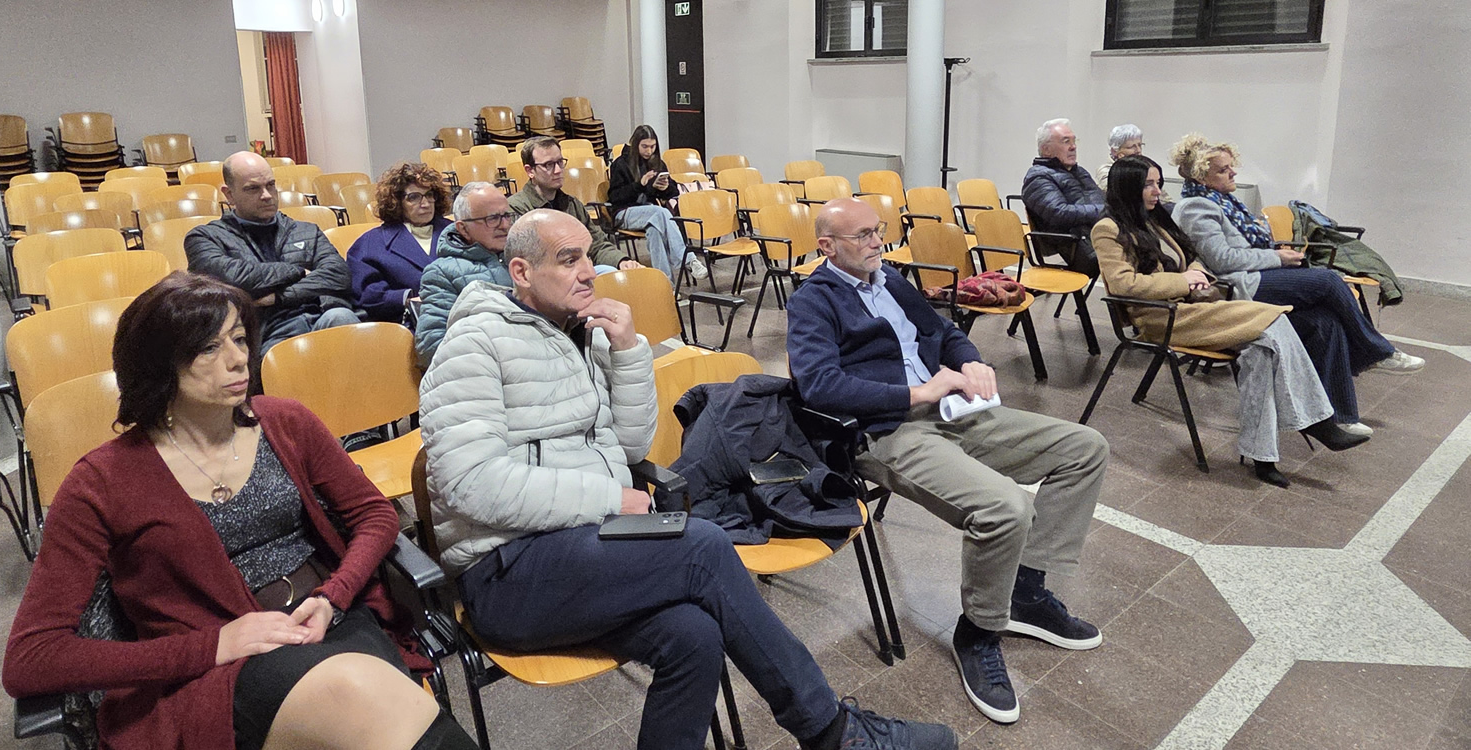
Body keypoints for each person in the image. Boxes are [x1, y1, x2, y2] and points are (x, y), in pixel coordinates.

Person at [418, 209, 956, 750]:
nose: (588, 271)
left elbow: (630, 448)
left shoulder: (582, 333)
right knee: (702, 546)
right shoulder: (473, 344)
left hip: (586, 548)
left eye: (587, 256)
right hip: (507, 571)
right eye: (568, 259)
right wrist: (608, 497)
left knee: (694, 636)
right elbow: (471, 484)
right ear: (521, 272)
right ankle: (832, 732)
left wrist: (628, 352)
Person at [2, 272, 477, 750]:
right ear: (158, 364)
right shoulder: (100, 482)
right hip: (220, 666)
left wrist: (333, 596)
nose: (237, 359)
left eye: (239, 339)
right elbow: (31, 657)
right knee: (359, 695)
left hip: (327, 617)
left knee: (370, 703)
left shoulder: (285, 421)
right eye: (209, 348)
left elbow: (375, 515)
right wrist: (212, 646)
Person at [786, 197, 1109, 725]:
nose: (878, 242)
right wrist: (915, 393)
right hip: (887, 430)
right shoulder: (813, 301)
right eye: (862, 235)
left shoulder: (889, 280)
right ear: (827, 246)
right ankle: (978, 631)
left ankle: (1025, 594)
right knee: (1005, 507)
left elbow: (943, 333)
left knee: (1085, 448)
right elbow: (819, 386)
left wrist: (971, 361)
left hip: (950, 409)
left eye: (878, 230)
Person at [1096, 156, 1371, 487]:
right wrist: (1183, 281)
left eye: (1158, 183)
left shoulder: (1155, 219)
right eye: (1149, 185)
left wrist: (1196, 274)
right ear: (1128, 187)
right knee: (1273, 318)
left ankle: (1263, 456)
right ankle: (1317, 421)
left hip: (1190, 308)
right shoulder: (1108, 229)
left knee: (1261, 351)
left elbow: (1191, 256)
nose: (1157, 190)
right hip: (1160, 318)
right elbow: (1123, 285)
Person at [1169, 134, 1421, 435]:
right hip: (1237, 286)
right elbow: (1223, 260)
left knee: (1325, 321)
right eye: (1223, 170)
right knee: (1328, 280)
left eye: (1231, 166)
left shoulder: (1222, 200)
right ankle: (1376, 352)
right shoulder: (1196, 208)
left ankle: (1340, 416)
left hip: (1254, 275)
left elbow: (1244, 248)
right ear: (1202, 176)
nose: (1233, 172)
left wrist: (1278, 254)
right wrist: (1277, 257)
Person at [186, 151, 359, 355]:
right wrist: (297, 271)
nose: (266, 195)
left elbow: (339, 276)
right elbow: (234, 279)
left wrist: (278, 297)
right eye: (253, 188)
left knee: (342, 317)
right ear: (229, 194)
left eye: (270, 185)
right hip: (265, 335)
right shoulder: (205, 238)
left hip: (322, 317)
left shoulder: (307, 231)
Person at [507, 135, 642, 275]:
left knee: (613, 273)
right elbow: (530, 259)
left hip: (576, 272)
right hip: (547, 278)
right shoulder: (517, 209)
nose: (558, 170)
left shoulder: (572, 204)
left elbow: (597, 244)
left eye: (560, 162)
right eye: (548, 165)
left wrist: (622, 261)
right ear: (530, 171)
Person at [414, 182, 514, 366]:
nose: (505, 225)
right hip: (488, 369)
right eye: (492, 218)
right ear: (463, 228)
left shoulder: (526, 256)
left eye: (507, 216)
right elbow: (432, 345)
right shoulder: (441, 273)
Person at [347, 162, 454, 323]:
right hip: (407, 322)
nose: (425, 204)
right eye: (414, 197)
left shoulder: (456, 231)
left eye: (429, 195)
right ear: (396, 202)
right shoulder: (371, 243)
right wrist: (406, 299)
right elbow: (367, 294)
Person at [608, 124, 708, 281]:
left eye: (652, 146)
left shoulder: (657, 163)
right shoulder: (620, 164)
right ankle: (688, 260)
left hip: (651, 213)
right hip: (624, 212)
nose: (649, 151)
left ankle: (666, 284)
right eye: (644, 146)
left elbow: (674, 192)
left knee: (654, 231)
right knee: (660, 212)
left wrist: (665, 188)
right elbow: (615, 197)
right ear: (635, 144)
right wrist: (639, 185)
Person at [1021, 118, 1104, 277]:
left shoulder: (1078, 171)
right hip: (1075, 247)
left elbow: (1100, 199)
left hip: (1096, 236)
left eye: (1074, 141)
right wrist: (1103, 211)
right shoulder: (1038, 178)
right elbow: (1059, 213)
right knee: (1134, 256)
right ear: (1046, 150)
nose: (1073, 147)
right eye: (1066, 141)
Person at [1096, 124, 1171, 204]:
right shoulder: (1105, 171)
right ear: (1115, 151)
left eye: (1140, 145)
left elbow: (1165, 198)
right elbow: (1125, 196)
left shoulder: (1147, 167)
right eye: (1132, 147)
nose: (1138, 150)